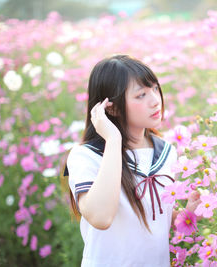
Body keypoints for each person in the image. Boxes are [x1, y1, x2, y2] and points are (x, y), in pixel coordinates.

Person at [61, 55, 201, 267]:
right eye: (141, 95)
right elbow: (101, 217)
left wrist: (186, 214)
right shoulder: (86, 155)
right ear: (112, 108)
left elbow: (153, 218)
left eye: (155, 88)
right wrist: (113, 140)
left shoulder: (166, 151)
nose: (155, 100)